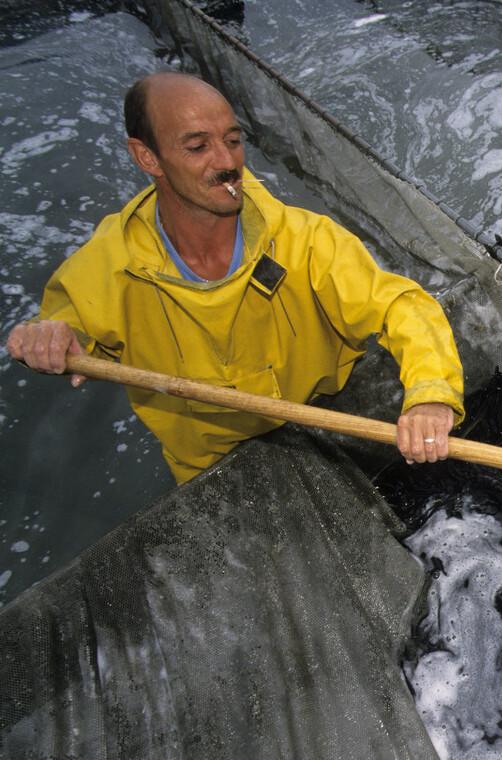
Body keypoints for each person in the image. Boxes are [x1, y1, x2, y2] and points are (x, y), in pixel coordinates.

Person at [4, 72, 464, 483]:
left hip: (326, 412)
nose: (227, 162)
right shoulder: (108, 265)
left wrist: (430, 396)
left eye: (233, 139)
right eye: (198, 146)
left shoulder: (302, 238)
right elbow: (67, 327)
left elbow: (402, 305)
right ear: (148, 157)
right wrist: (51, 339)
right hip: (210, 464)